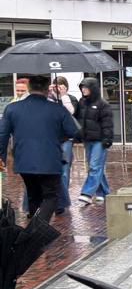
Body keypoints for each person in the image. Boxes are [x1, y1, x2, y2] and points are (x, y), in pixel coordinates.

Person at [0, 74, 79, 222]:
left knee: (33, 195)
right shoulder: (57, 109)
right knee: (51, 196)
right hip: (50, 159)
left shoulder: (12, 108)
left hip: (24, 160)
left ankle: (34, 228)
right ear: (47, 90)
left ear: (29, 88)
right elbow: (73, 132)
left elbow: (2, 135)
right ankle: (38, 228)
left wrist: (1, 158)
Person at [74, 78, 115, 203]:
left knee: (94, 166)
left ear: (93, 88)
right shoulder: (82, 102)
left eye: (86, 87)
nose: (83, 90)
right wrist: (78, 134)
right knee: (96, 167)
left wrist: (107, 138)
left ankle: (87, 193)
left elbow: (107, 123)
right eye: (82, 87)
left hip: (99, 141)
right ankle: (104, 192)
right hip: (87, 140)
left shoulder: (103, 104)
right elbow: (78, 119)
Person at [50, 76, 79, 210]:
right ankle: (55, 196)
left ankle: (63, 198)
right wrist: (50, 94)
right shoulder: (49, 99)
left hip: (66, 139)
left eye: (60, 86)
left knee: (65, 170)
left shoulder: (71, 99)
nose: (57, 88)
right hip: (52, 139)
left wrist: (63, 96)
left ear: (66, 87)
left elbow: (70, 113)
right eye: (55, 85)